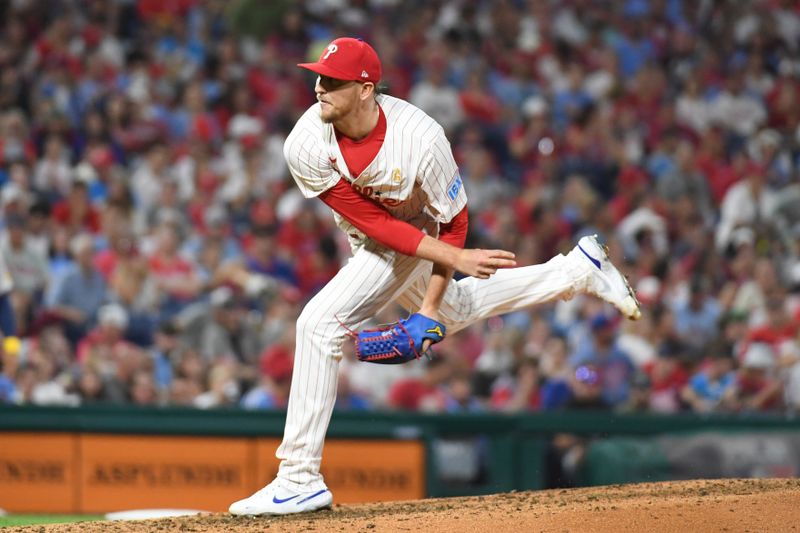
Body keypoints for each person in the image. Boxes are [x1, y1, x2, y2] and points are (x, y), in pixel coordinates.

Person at [229, 37, 640, 516]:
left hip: (422, 230)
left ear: (365, 90)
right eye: (318, 77)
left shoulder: (421, 138)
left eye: (333, 81)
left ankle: (299, 477)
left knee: (317, 325)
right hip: (377, 235)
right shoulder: (305, 142)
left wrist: (430, 300)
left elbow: (454, 223)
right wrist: (435, 304)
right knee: (457, 309)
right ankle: (576, 270)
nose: (319, 88)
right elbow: (373, 224)